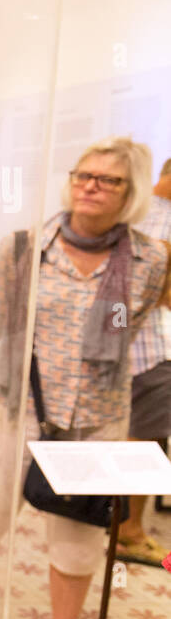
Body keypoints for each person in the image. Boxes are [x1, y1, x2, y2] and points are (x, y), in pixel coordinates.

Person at [0, 137, 169, 619]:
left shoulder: (150, 260)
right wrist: (11, 396)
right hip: (17, 410)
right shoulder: (23, 248)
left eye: (107, 180)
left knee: (80, 537)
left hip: (97, 416)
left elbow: (132, 326)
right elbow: (0, 328)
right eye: (83, 175)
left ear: (130, 193)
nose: (90, 186)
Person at [119, 156, 171, 565]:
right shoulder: (160, 222)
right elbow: (162, 292)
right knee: (144, 441)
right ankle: (128, 531)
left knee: (140, 437)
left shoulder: (138, 214)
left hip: (135, 349)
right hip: (151, 349)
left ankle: (125, 525)